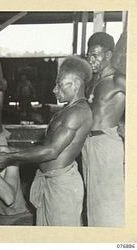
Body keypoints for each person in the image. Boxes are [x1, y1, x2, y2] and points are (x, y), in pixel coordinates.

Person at [0, 56, 93, 226]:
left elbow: (52, 151)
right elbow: (44, 145)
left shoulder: (78, 112)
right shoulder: (67, 110)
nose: (54, 89)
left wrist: (11, 156)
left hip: (61, 186)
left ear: (76, 84)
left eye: (59, 84)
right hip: (49, 181)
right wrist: (10, 150)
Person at [83, 32, 125, 226]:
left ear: (108, 55)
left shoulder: (119, 79)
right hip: (88, 143)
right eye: (88, 55)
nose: (90, 60)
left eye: (95, 55)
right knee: (92, 201)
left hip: (107, 145)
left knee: (109, 202)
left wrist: (124, 129)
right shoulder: (92, 81)